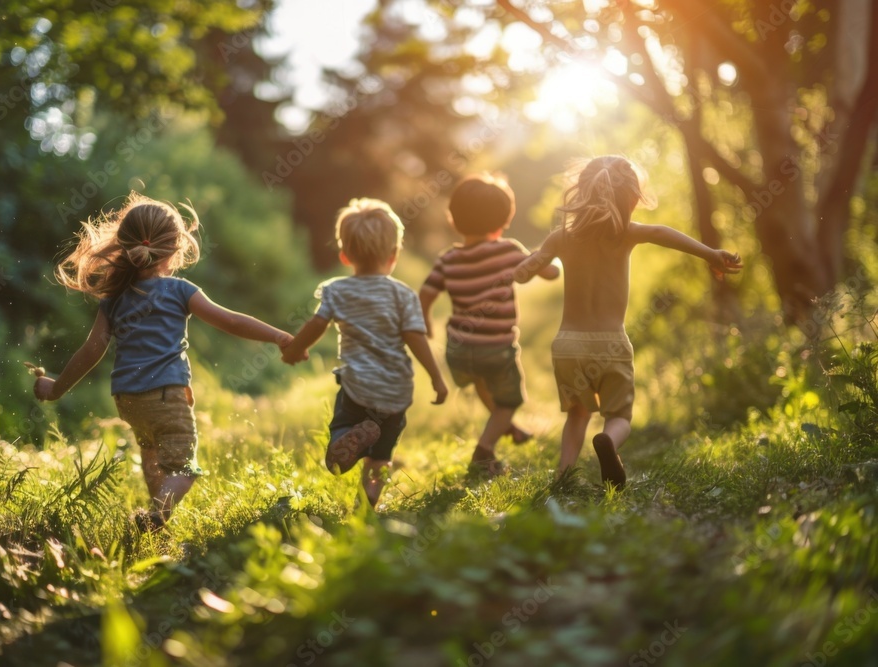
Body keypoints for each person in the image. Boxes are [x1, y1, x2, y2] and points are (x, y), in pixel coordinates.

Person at [32, 193, 293, 531]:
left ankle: (157, 527)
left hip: (127, 400)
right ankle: (155, 517)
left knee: (153, 456)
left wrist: (56, 387)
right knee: (183, 470)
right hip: (165, 395)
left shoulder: (114, 300)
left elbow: (91, 350)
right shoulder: (179, 291)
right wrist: (278, 337)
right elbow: (230, 321)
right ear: (173, 249)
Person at [515, 156, 742, 488]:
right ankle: (608, 441)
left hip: (568, 345)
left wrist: (523, 267)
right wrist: (710, 254)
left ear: (582, 194)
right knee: (619, 415)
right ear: (633, 199)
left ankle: (562, 477)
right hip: (611, 344)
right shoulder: (625, 233)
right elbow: (661, 232)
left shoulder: (561, 237)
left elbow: (524, 273)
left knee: (577, 414)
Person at [282, 198, 449, 508]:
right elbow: (416, 338)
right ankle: (367, 503)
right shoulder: (402, 295)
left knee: (344, 426)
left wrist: (295, 349)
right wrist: (437, 378)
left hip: (357, 385)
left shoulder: (337, 290)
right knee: (382, 456)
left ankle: (345, 437)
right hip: (394, 392)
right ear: (394, 254)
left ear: (345, 255)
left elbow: (317, 323)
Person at [420, 174, 560, 477]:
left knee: (483, 384)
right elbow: (548, 272)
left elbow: (426, 294)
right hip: (495, 347)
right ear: (503, 221)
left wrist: (426, 324)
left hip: (458, 349)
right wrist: (556, 262)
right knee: (510, 398)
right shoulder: (508, 250)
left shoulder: (448, 259)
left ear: (454, 219)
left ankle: (506, 427)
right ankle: (485, 450)